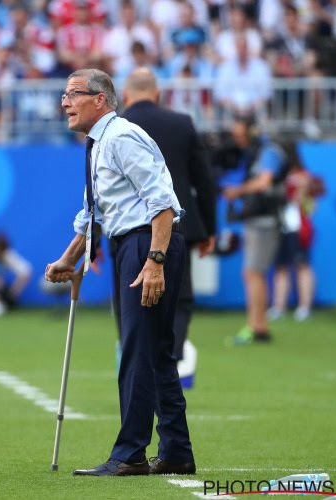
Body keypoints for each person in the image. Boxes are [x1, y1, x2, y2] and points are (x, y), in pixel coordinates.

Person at [45, 68, 194, 476]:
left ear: (100, 99)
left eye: (73, 94)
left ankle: (130, 453)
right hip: (134, 242)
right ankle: (177, 451)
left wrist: (155, 261)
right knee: (157, 350)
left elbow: (162, 202)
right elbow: (94, 213)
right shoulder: (100, 143)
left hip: (147, 243)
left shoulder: (122, 136)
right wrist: (68, 259)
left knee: (137, 349)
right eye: (64, 95)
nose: (64, 103)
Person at [121, 67, 217, 362]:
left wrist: (94, 240)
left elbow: (100, 188)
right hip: (178, 227)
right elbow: (204, 180)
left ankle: (139, 365)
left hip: (126, 231)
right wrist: (209, 230)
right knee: (179, 298)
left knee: (129, 302)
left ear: (125, 95)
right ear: (158, 94)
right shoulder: (182, 123)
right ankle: (170, 361)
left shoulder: (115, 126)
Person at [222, 114, 286, 344]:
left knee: (253, 273)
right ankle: (258, 326)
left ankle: (256, 327)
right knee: (253, 273)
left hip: (265, 221)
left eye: (240, 134)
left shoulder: (268, 151)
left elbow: (264, 182)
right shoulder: (259, 152)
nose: (238, 140)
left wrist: (237, 192)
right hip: (258, 220)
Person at [268, 144, 324, 322]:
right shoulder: (277, 177)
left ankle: (305, 307)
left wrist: (301, 190)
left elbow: (311, 205)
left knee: (302, 266)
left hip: (299, 228)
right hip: (281, 227)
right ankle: (279, 306)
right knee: (281, 267)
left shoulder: (304, 177)